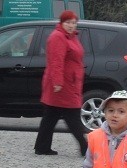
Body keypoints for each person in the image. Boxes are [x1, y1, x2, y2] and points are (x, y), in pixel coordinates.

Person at [33, 10, 87, 156]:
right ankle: (85, 147)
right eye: (68, 22)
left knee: (51, 115)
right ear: (61, 23)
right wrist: (58, 82)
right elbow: (56, 62)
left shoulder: (71, 37)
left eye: (74, 23)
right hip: (62, 84)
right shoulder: (58, 37)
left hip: (69, 82)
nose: (71, 26)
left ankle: (42, 147)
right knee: (73, 115)